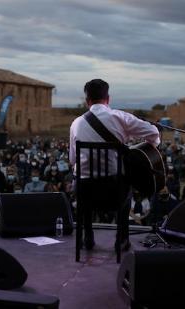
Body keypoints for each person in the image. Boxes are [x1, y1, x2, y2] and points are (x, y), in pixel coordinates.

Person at [69, 79, 160, 250]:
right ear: (108, 98)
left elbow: (73, 160)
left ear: (87, 100)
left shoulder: (76, 123)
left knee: (81, 181)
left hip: (84, 191)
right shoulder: (120, 117)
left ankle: (88, 238)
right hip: (113, 192)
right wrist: (149, 147)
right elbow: (154, 132)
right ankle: (121, 240)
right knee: (127, 184)